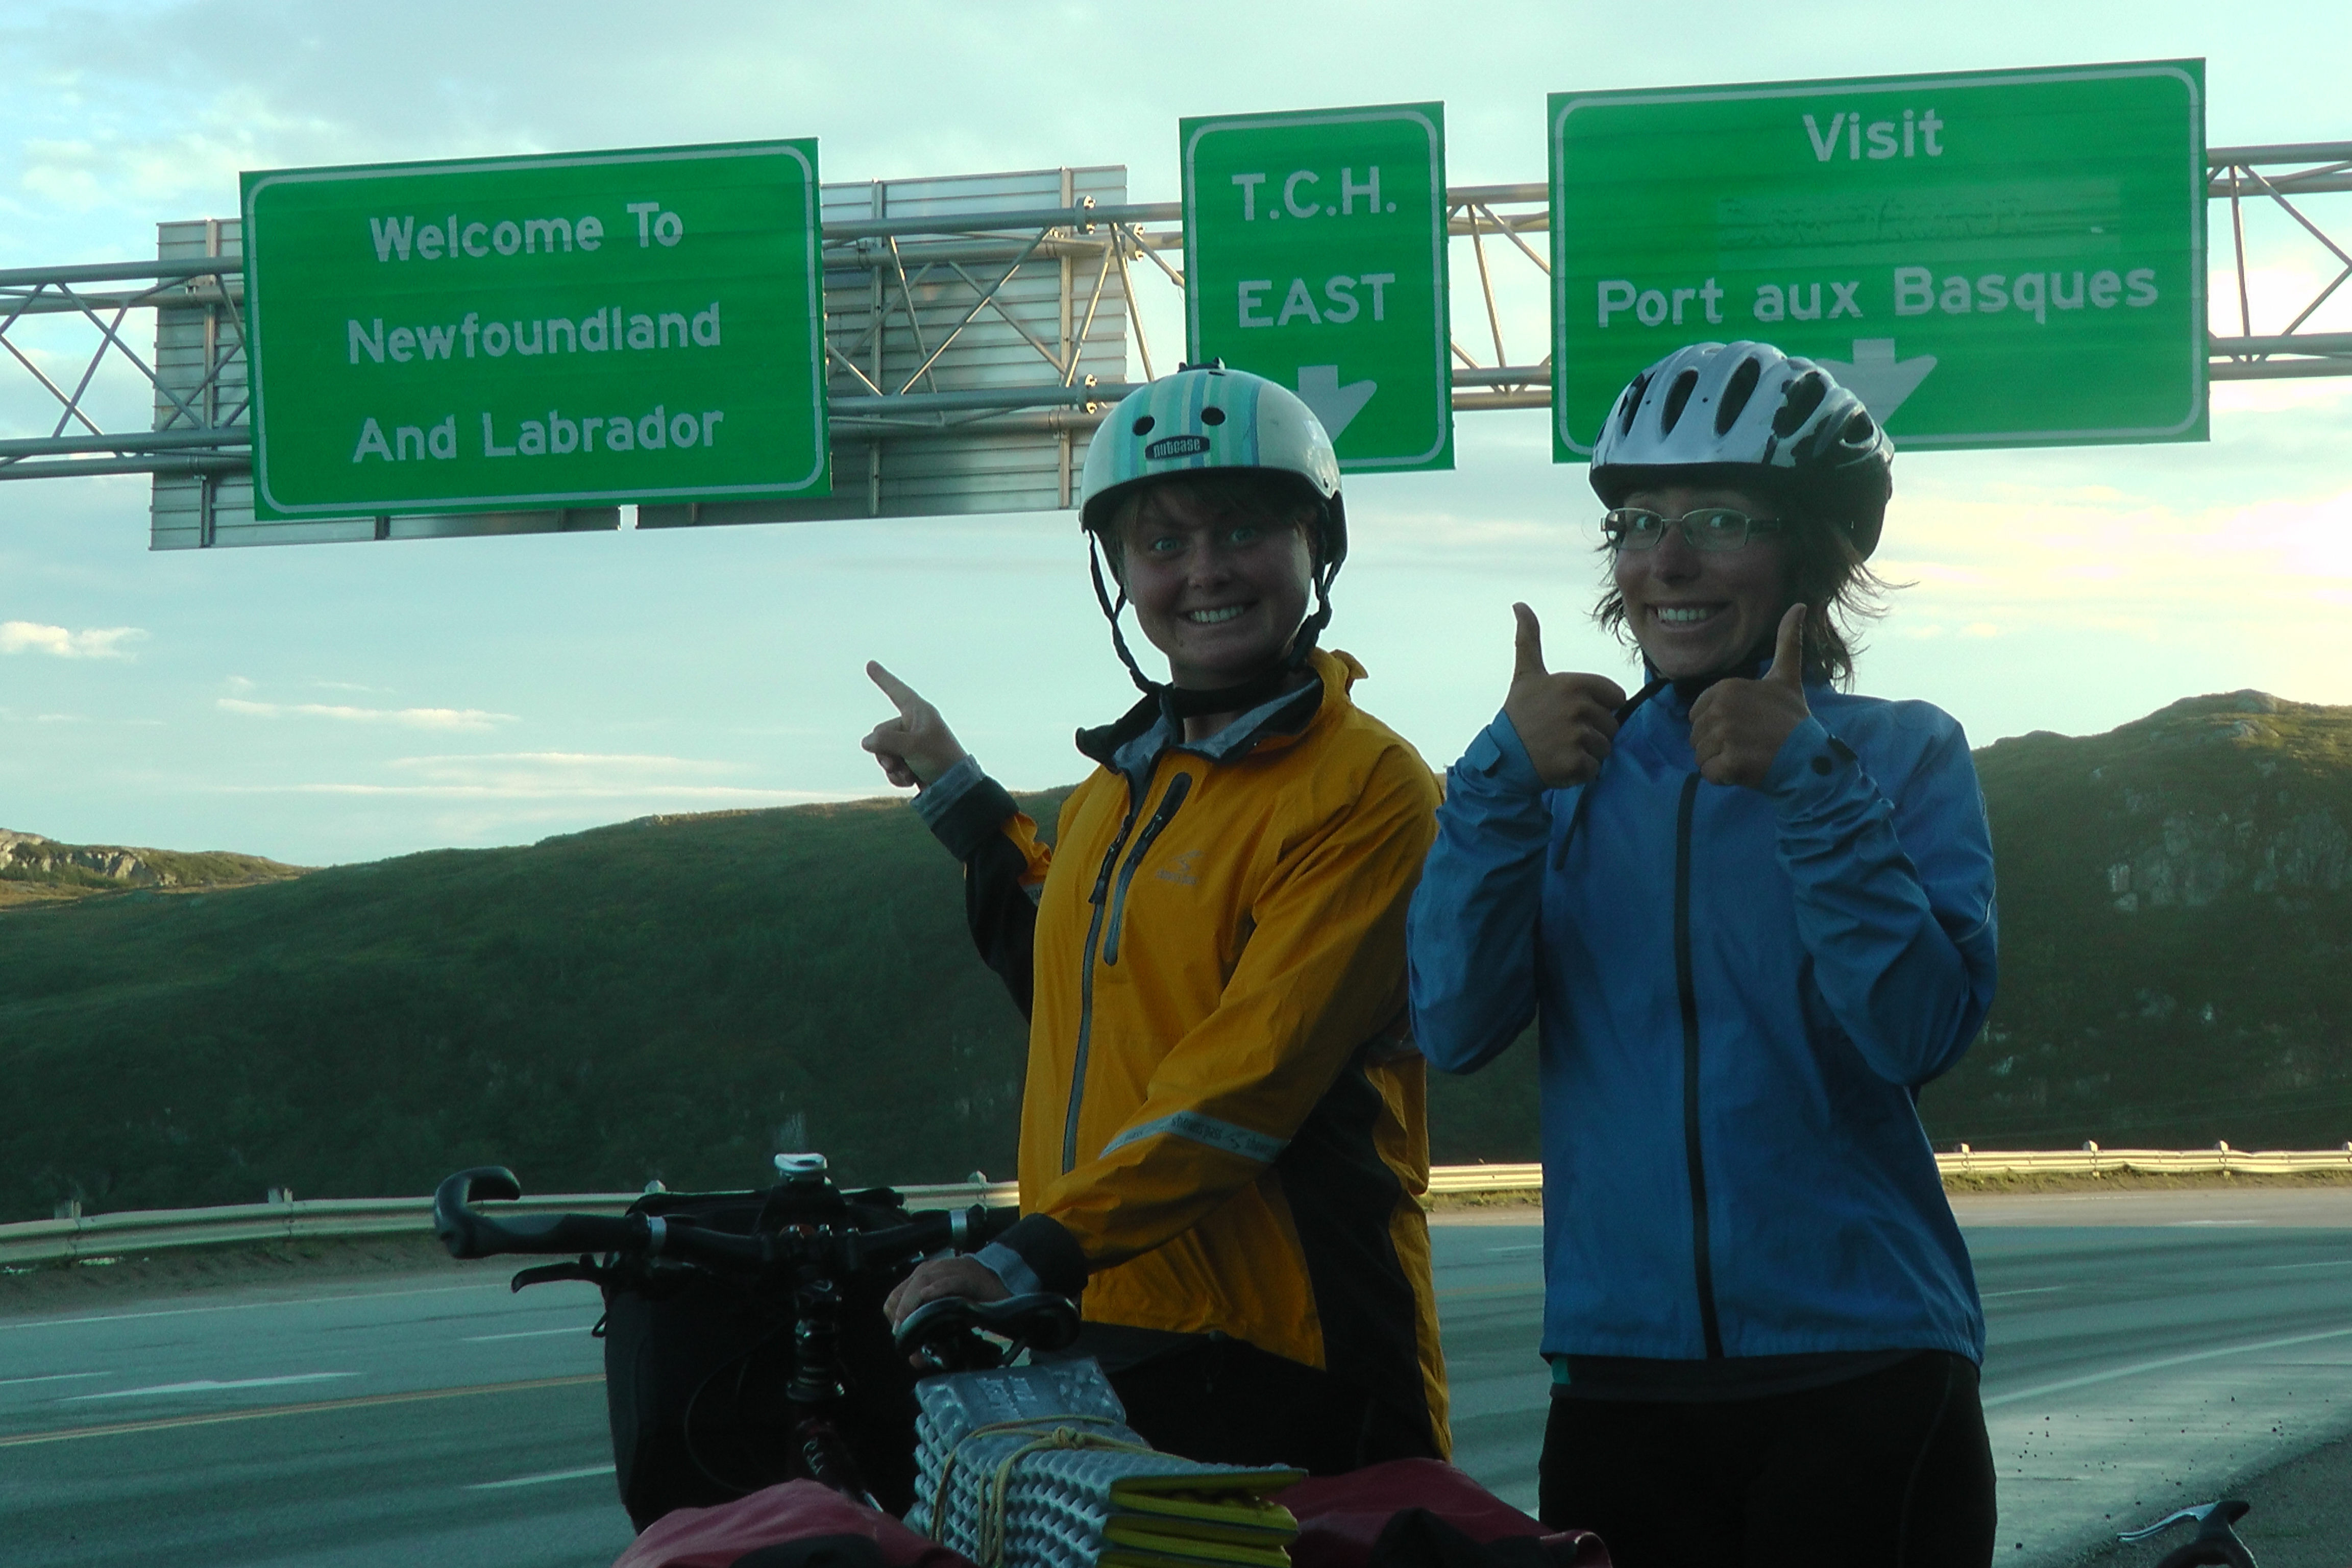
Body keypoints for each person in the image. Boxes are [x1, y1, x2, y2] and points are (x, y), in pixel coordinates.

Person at [1407, 341, 1999, 1566]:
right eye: (1638, 523)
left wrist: (1814, 790)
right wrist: (1496, 786)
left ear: (1815, 552)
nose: (1667, 562)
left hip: (1864, 1365)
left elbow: (1916, 1033)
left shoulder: (1902, 753)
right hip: (1618, 1378)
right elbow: (1453, 1027)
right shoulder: (1558, 776)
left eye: (1721, 519)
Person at [861, 364, 1450, 1476]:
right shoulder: (1117, 791)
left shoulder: (1368, 788)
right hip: (1107, 1329)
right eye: (1163, 543)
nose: (1204, 570)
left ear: (1315, 547)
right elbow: (1071, 974)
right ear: (1121, 574)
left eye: (1243, 530)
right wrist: (960, 794)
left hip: (1293, 1349)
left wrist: (1030, 1254)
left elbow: (1249, 1078)